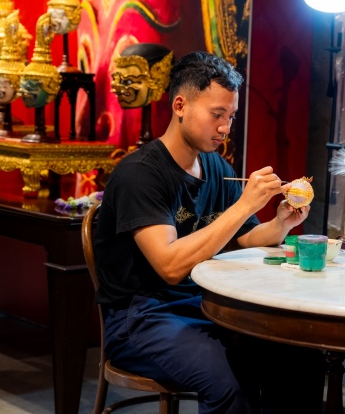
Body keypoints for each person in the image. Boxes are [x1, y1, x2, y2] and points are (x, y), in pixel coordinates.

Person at [93, 51, 325, 413]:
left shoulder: (216, 166)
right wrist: (243, 206)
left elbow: (244, 238)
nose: (225, 128)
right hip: (141, 318)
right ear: (180, 105)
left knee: (301, 359)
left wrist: (281, 223)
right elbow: (170, 267)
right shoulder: (140, 174)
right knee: (229, 385)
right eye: (217, 114)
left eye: (230, 116)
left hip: (204, 306)